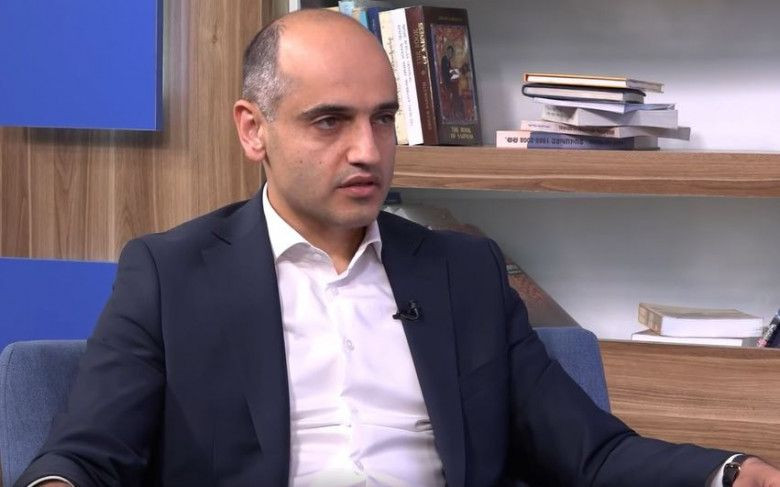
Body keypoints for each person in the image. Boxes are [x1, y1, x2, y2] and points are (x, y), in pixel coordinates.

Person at [17, 9, 780, 487]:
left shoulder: (464, 270)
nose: (368, 150)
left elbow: (590, 453)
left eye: (383, 119)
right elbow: (84, 456)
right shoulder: (170, 273)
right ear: (253, 129)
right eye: (330, 121)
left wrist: (727, 469)